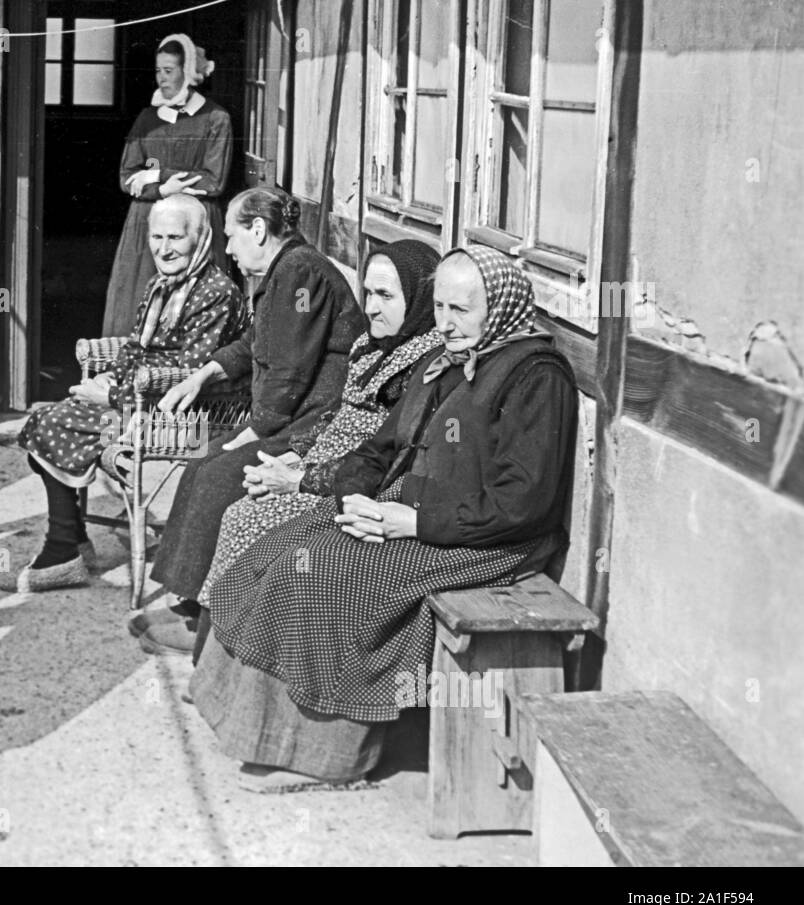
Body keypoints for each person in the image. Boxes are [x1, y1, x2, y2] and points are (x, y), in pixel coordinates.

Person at [193, 246, 578, 792]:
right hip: (414, 508)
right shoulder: (441, 361)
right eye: (439, 307)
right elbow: (379, 446)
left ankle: (327, 756)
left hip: (489, 538)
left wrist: (411, 523)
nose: (444, 323)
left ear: (500, 308)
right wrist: (353, 498)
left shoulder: (536, 378)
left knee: (329, 578)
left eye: (461, 310)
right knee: (284, 544)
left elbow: (523, 504)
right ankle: (247, 720)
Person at [131, 185, 364, 652]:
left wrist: (254, 432)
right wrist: (204, 374)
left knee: (220, 473)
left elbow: (289, 371)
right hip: (294, 415)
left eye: (232, 236)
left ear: (258, 230)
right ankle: (190, 602)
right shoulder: (286, 270)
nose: (229, 249)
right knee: (203, 463)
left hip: (315, 426)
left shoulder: (299, 274)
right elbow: (257, 342)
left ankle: (203, 625)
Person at [12, 195, 245, 591]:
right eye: (157, 236)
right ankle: (69, 542)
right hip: (138, 400)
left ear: (200, 238)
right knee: (41, 424)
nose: (164, 248)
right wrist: (110, 378)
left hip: (183, 417)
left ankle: (63, 548)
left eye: (176, 237)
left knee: (50, 426)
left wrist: (112, 397)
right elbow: (138, 347)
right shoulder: (161, 285)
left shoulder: (215, 293)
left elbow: (189, 372)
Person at [195, 240, 445, 609]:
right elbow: (340, 418)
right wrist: (295, 458)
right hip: (322, 467)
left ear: (418, 298)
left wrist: (300, 479)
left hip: (356, 490)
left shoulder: (422, 366)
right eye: (369, 293)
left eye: (386, 296)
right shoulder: (374, 346)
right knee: (239, 499)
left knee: (249, 519)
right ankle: (213, 642)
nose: (372, 308)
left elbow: (387, 458)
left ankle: (231, 647)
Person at [101, 34, 233, 339]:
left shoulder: (216, 119)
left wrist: (159, 175)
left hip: (194, 222)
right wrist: (162, 189)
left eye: (169, 71)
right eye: (158, 71)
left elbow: (213, 180)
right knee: (139, 305)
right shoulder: (147, 119)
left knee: (192, 311)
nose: (162, 78)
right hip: (147, 220)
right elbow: (127, 176)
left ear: (187, 72)